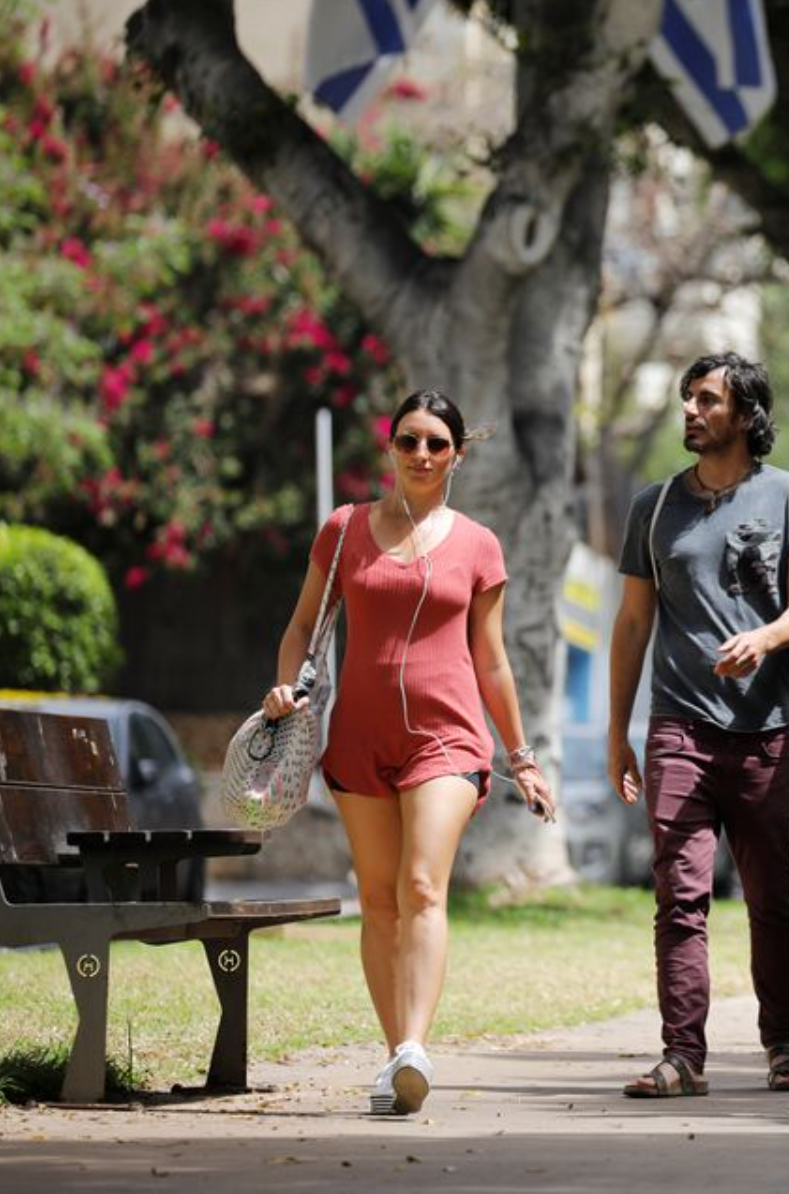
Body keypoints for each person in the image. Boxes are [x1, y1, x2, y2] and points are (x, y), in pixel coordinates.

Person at [262, 389, 555, 1116]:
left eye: (436, 443)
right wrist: (282, 687)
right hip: (358, 737)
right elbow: (303, 626)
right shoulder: (344, 530)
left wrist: (520, 756)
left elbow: (492, 662)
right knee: (376, 897)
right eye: (408, 441)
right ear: (389, 449)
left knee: (423, 885)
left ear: (457, 454)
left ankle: (415, 1045)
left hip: (448, 737)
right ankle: (397, 1055)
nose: (421, 454)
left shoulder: (479, 544)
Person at [607, 352, 789, 1098]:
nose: (690, 411)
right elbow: (633, 623)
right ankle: (682, 1055)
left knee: (771, 893)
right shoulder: (654, 505)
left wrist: (764, 639)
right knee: (680, 893)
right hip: (679, 726)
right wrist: (617, 731)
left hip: (766, 729)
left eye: (707, 399)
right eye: (687, 398)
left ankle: (783, 1043)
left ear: (745, 414)